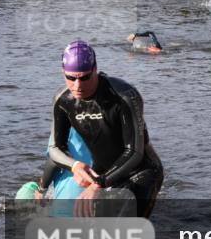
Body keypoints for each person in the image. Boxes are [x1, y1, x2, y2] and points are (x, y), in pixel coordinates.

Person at [49, 40, 164, 218]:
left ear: (95, 69)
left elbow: (134, 152)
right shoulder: (63, 101)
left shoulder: (124, 95)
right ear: (63, 72)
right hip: (102, 175)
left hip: (140, 172)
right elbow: (55, 148)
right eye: (71, 78)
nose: (78, 85)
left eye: (84, 77)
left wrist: (99, 184)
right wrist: (75, 166)